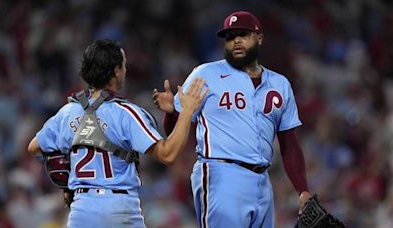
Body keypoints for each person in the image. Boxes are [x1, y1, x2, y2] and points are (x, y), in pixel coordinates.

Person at [152, 11, 311, 227]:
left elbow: (289, 142)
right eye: (230, 36)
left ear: (260, 39)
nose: (235, 40)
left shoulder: (279, 84)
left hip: (262, 181)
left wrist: (302, 189)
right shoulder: (206, 74)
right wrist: (171, 113)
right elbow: (174, 131)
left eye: (243, 34)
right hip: (221, 173)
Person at [27, 39, 208, 227]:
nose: (125, 70)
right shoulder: (125, 113)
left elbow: (35, 147)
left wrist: (67, 181)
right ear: (115, 71)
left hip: (81, 210)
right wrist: (186, 112)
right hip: (118, 209)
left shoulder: (67, 112)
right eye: (123, 65)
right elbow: (168, 155)